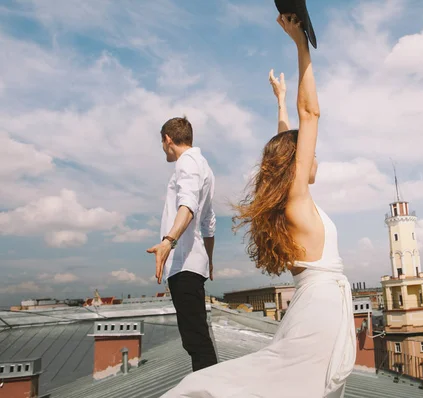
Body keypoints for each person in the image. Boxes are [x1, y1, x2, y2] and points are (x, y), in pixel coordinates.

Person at [161, 14, 356, 398]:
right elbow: (311, 114)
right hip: (320, 311)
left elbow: (286, 141)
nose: (314, 157)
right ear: (296, 163)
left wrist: (281, 102)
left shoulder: (290, 200)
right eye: (308, 153)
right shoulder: (297, 200)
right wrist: (301, 46)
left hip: (315, 305)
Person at [146, 116, 219, 372]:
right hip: (195, 264)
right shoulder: (204, 167)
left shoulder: (186, 162)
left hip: (184, 264)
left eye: (161, 142)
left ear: (167, 139)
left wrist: (168, 241)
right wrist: (209, 261)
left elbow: (187, 204)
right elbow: (209, 222)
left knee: (196, 342)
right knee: (197, 338)